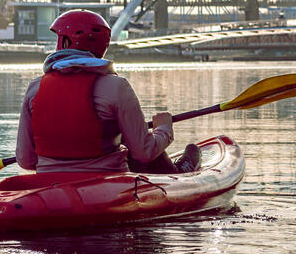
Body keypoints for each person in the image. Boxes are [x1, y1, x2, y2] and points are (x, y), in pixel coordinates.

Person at [16, 9, 200, 174]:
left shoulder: (35, 88)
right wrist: (164, 127)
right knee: (139, 148)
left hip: (49, 183)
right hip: (106, 181)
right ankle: (180, 172)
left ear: (64, 42)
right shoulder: (116, 87)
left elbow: (26, 160)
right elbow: (144, 153)